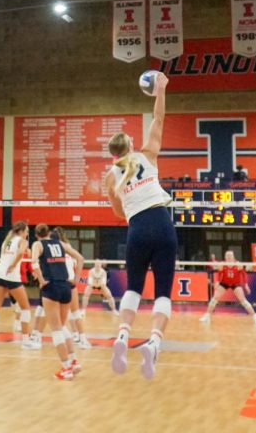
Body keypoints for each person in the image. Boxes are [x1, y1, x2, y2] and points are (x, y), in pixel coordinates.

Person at [102, 71, 176, 380]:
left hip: (136, 228)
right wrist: (161, 90)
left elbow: (118, 213)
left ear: (113, 154)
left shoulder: (110, 177)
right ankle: (154, 343)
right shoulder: (146, 156)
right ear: (131, 146)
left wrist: (131, 205)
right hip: (160, 220)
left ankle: (122, 335)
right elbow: (158, 120)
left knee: (133, 288)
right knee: (162, 292)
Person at [30, 223, 80, 381]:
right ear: (49, 233)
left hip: (51, 286)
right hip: (66, 287)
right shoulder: (60, 243)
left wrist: (41, 279)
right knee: (62, 326)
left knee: (56, 329)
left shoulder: (37, 244)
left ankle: (66, 369)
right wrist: (76, 280)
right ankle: (73, 361)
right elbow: (80, 258)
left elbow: (33, 262)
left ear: (36, 234)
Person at [0, 221, 34, 350]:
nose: (27, 233)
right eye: (27, 231)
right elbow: (21, 252)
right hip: (12, 276)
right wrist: (13, 265)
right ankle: (26, 341)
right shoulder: (22, 241)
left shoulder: (7, 241)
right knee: (26, 308)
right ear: (21, 231)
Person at [200, 250, 256, 325]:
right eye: (227, 255)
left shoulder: (238, 264)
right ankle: (207, 315)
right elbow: (220, 274)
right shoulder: (222, 264)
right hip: (224, 283)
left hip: (235, 284)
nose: (228, 257)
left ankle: (255, 316)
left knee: (243, 300)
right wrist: (218, 282)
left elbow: (244, 274)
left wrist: (246, 284)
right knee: (215, 298)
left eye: (230, 255)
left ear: (233, 256)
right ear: (225, 257)